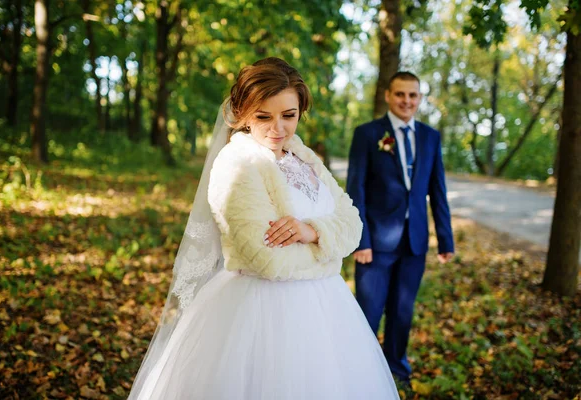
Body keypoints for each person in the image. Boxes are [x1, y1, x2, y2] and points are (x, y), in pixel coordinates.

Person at [128, 57, 399, 399]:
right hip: (256, 313)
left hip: (325, 313)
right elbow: (265, 259)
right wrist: (330, 257)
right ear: (242, 114)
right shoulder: (236, 164)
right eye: (263, 116)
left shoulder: (302, 156)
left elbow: (353, 224)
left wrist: (311, 231)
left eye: (289, 115)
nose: (278, 129)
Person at [346, 71, 454, 384]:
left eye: (413, 95)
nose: (406, 101)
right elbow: (357, 189)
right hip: (375, 243)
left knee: (402, 311)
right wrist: (360, 239)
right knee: (369, 311)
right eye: (400, 94)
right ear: (388, 96)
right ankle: (360, 371)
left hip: (415, 241)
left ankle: (396, 368)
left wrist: (445, 240)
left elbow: (438, 190)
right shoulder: (367, 134)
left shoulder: (430, 137)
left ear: (419, 98)